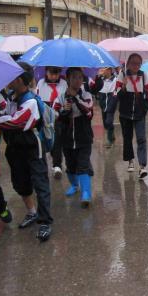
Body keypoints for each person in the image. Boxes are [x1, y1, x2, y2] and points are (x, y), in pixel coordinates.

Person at [0, 62, 53, 242]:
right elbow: (0, 116)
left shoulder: (30, 101)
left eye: (12, 76)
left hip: (32, 147)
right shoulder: (11, 98)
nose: (8, 79)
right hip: (15, 148)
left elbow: (14, 122)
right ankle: (32, 212)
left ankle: (45, 221)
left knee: (40, 183)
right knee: (20, 183)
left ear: (21, 80)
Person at [58, 68, 95, 207]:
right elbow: (56, 117)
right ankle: (74, 185)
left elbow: (89, 113)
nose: (78, 80)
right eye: (74, 77)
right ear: (68, 79)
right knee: (70, 165)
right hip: (67, 138)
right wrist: (64, 111)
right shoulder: (61, 97)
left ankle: (86, 193)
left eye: (80, 77)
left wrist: (76, 100)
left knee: (83, 165)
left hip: (84, 137)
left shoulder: (86, 95)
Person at [116, 53, 148, 179]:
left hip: (139, 112)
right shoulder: (122, 75)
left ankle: (142, 166)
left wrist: (146, 108)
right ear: (128, 63)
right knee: (127, 138)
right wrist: (124, 86)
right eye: (133, 63)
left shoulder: (143, 75)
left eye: (138, 63)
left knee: (141, 139)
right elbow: (116, 95)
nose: (135, 66)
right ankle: (130, 161)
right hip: (125, 113)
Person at [36, 66, 67, 179]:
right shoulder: (41, 83)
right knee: (43, 140)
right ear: (46, 72)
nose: (54, 76)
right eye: (51, 73)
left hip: (58, 115)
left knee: (57, 140)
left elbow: (66, 98)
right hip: (44, 115)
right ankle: (42, 166)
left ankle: (57, 165)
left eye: (57, 73)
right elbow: (37, 98)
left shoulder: (64, 83)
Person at [94, 67, 118, 148]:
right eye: (102, 68)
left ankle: (110, 140)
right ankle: (112, 136)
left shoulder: (115, 79)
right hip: (103, 104)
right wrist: (98, 76)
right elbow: (95, 88)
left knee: (109, 121)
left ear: (110, 70)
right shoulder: (100, 80)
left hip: (111, 103)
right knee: (105, 124)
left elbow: (118, 89)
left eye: (105, 68)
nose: (103, 70)